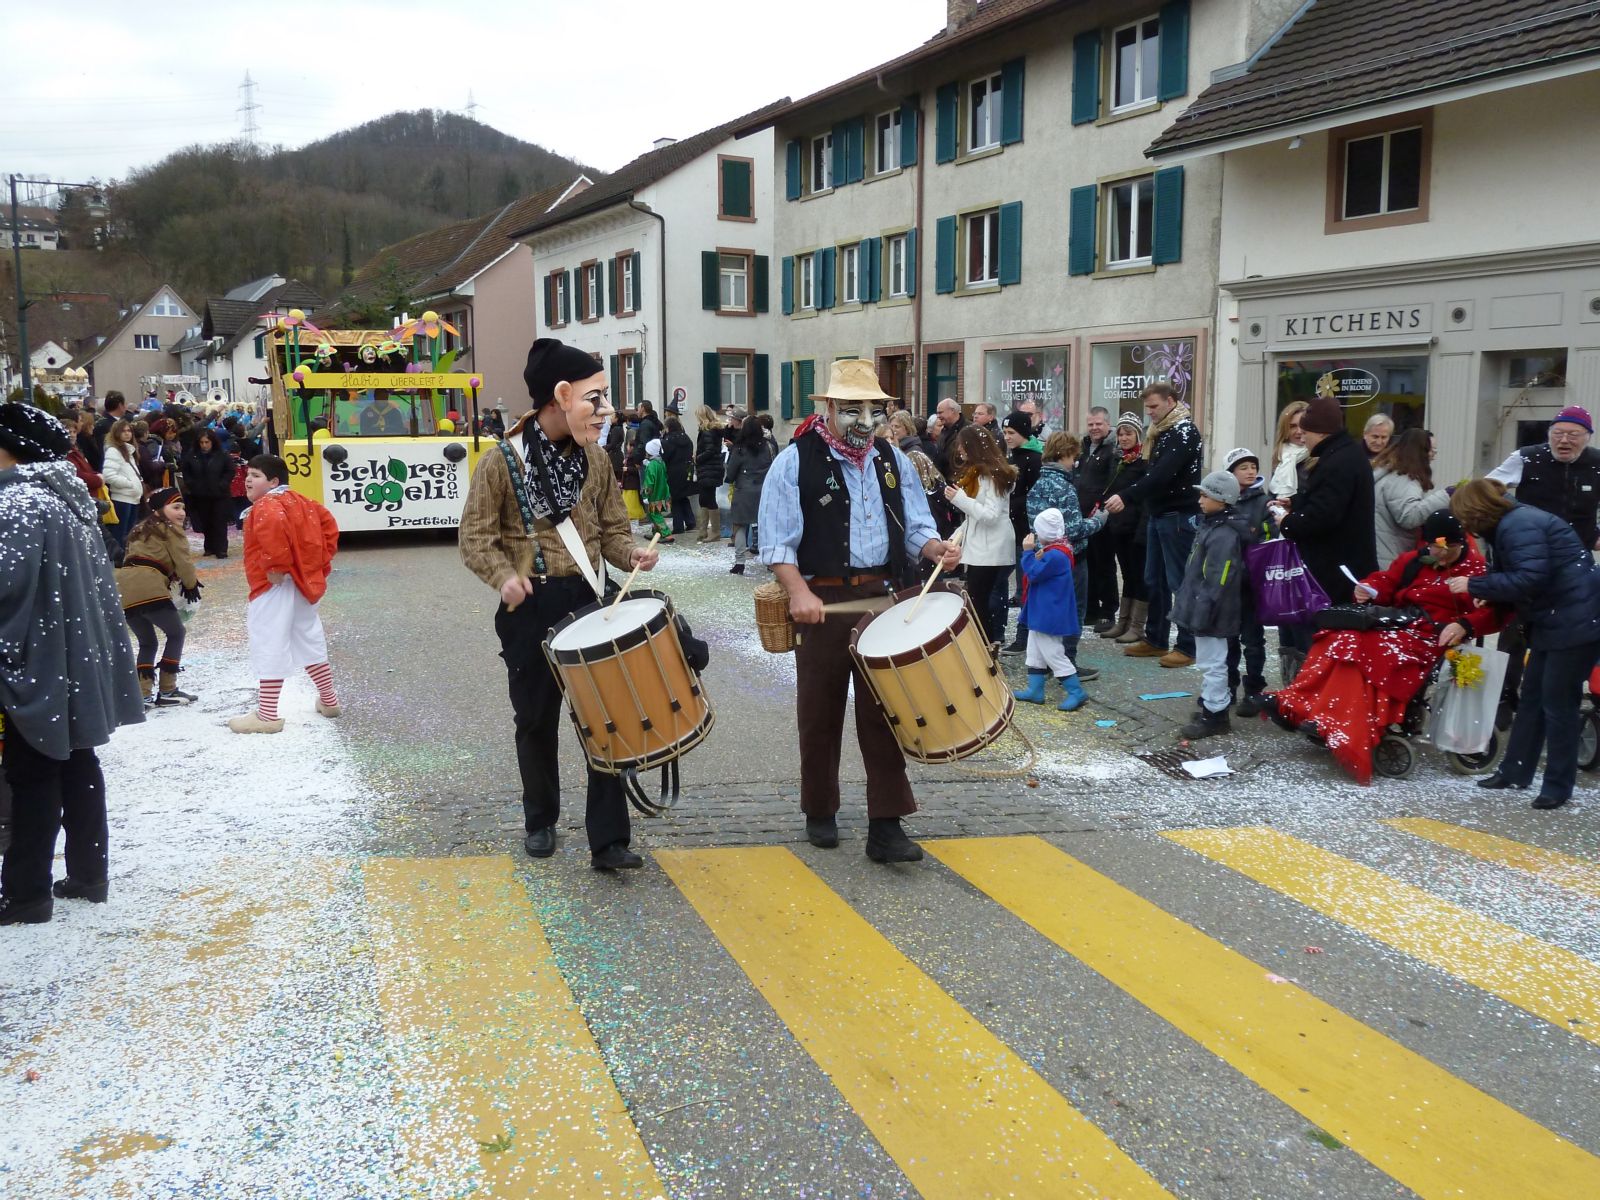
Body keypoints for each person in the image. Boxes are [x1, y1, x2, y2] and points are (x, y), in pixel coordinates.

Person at [458, 340, 657, 869]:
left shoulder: (597, 458)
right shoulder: (501, 462)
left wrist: (631, 553)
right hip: (531, 607)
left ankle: (609, 841)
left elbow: (612, 530)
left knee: (605, 719)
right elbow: (475, 537)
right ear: (560, 397)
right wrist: (503, 577)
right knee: (535, 720)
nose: (605, 410)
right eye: (596, 398)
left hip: (588, 598)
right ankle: (540, 819)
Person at [757, 359, 961, 863]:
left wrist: (933, 547)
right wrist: (797, 591)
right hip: (824, 601)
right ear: (829, 408)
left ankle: (886, 825)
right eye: (852, 409)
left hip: (886, 597)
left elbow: (915, 524)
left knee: (887, 711)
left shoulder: (893, 459)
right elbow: (777, 542)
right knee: (819, 711)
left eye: (874, 409)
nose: (865, 421)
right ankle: (819, 809)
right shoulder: (795, 461)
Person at [0, 403, 144, 924]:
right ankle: (88, 874)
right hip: (75, 658)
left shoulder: (17, 502)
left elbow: (6, 587)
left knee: (32, 773)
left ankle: (25, 895)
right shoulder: (68, 496)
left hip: (36, 660)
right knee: (78, 760)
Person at [1267, 511, 1503, 783]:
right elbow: (1387, 580)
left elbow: (1492, 612)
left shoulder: (1476, 572)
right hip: (1400, 623)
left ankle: (1339, 717)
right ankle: (1306, 705)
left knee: (1363, 651)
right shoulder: (1414, 560)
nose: (1437, 554)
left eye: (1444, 549)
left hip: (1437, 636)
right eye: (1433, 547)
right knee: (1334, 638)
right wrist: (1369, 587)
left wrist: (1466, 624)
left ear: (1459, 544)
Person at [1451, 480, 1600, 809]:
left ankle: (1558, 786)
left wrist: (1475, 584)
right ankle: (1515, 771)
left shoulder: (1518, 524)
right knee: (1533, 697)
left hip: (1575, 620)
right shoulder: (1512, 523)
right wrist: (1490, 594)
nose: (1465, 526)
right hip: (1556, 617)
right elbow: (1525, 576)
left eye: (1464, 518)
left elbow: (1530, 577)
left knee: (1558, 704)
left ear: (1475, 511)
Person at [228, 455, 343, 734]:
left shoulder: (266, 505)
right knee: (308, 637)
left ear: (273, 481)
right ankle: (329, 700)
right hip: (301, 584)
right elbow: (329, 528)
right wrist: (316, 564)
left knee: (269, 641)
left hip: (273, 585)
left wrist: (276, 566)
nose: (248, 480)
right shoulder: (304, 502)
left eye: (256, 475)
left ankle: (267, 715)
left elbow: (273, 528)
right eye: (248, 475)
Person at [1102, 383, 1204, 668]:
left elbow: (1161, 474)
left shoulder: (1184, 432)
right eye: (1147, 407)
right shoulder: (1161, 432)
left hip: (1178, 515)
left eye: (1154, 406)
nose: (1149, 412)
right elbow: (1153, 475)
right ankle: (1156, 638)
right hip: (1158, 514)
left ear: (1171, 401)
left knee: (1179, 582)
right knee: (1154, 579)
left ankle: (1187, 645)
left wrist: (1127, 495)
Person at [1276, 395, 1378, 657]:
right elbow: (1330, 501)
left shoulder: (1338, 462)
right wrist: (1297, 503)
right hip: (1341, 568)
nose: (1302, 437)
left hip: (1336, 573)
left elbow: (1323, 516)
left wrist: (1287, 522)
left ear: (1321, 432)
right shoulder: (1344, 455)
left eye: (1305, 432)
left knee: (1325, 643)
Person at [1173, 471, 1254, 739]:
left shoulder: (1223, 534)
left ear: (1222, 499)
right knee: (1211, 660)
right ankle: (1212, 705)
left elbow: (1219, 576)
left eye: (1205, 495)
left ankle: (1216, 714)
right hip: (1208, 605)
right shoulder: (1213, 525)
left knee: (1213, 662)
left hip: (1213, 609)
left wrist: (1204, 606)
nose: (1200, 500)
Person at [1022, 432, 1107, 676]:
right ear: (1064, 455)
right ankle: (1067, 663)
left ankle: (1047, 663)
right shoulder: (1065, 488)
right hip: (1070, 558)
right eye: (1073, 457)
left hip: (1043, 555)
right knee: (1073, 610)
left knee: (1048, 609)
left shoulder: (1038, 484)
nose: (1074, 462)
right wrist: (1100, 520)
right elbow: (1074, 530)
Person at [116, 486, 202, 707]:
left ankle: (142, 695)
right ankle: (168, 690)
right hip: (149, 586)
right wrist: (191, 586)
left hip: (124, 590)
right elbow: (183, 562)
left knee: (147, 642)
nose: (181, 512)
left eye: (183, 508)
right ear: (157, 510)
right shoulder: (170, 529)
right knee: (176, 633)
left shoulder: (139, 530)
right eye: (176, 507)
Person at [944, 424, 1017, 648]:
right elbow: (974, 518)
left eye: (962, 446)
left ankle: (987, 645)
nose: (959, 450)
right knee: (977, 600)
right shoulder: (979, 474)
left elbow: (990, 516)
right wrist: (956, 536)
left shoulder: (993, 476)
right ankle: (985, 644)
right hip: (982, 547)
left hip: (991, 548)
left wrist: (960, 499)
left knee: (979, 600)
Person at [1012, 508, 1088, 712]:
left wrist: (1027, 552)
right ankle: (1035, 690)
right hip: (1044, 611)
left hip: (1048, 613)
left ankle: (1076, 692)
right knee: (1035, 651)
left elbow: (1033, 573)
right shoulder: (1057, 551)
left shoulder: (1055, 555)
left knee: (1053, 653)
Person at [1223, 448, 1273, 717]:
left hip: (1252, 583)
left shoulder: (1264, 503)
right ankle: (1228, 686)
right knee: (1228, 638)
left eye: (1253, 466)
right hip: (1227, 584)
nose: (1251, 471)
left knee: (1253, 641)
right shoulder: (1223, 501)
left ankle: (1254, 689)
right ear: (1231, 473)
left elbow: (1267, 541)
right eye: (1243, 467)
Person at [1101, 413, 1150, 642]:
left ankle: (1137, 625)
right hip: (1119, 526)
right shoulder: (1119, 459)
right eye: (1120, 434)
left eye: (1128, 433)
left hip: (1136, 527)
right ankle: (1123, 622)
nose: (1123, 438)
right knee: (1128, 575)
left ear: (1138, 435)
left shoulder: (1144, 462)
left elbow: (1144, 498)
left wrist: (1142, 528)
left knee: (1139, 575)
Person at [1373, 428, 1449, 568]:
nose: (1433, 456)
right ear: (1420, 451)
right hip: (1389, 558)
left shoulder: (1391, 473)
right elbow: (1409, 517)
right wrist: (1446, 496)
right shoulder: (1403, 479)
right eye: (1431, 450)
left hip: (1383, 551)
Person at [999, 413, 1043, 652]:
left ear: (1023, 433)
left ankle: (1024, 636)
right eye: (1005, 433)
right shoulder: (1011, 456)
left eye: (1011, 433)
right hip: (1011, 527)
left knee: (1026, 583)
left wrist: (1010, 504)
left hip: (1026, 530)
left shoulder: (1034, 459)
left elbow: (1033, 495)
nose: (1007, 437)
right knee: (1015, 583)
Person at [1076, 407, 1119, 628]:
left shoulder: (1113, 449)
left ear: (1108, 424)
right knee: (1087, 564)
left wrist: (1102, 509)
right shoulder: (1083, 447)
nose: (1094, 428)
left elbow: (1112, 482)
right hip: (1083, 516)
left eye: (1098, 424)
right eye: (1091, 424)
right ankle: (1091, 609)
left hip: (1103, 516)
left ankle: (1108, 611)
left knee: (1104, 565)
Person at [890, 410, 954, 539]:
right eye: (891, 426)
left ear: (907, 428)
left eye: (897, 426)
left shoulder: (913, 453)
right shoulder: (898, 449)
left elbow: (916, 488)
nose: (893, 430)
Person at [723, 417, 772, 574]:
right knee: (766, 527)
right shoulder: (769, 447)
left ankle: (740, 562)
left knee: (739, 525)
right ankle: (771, 561)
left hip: (744, 491)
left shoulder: (739, 449)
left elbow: (731, 472)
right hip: (765, 491)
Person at [179, 427, 236, 558]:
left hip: (219, 494)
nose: (204, 445)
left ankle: (221, 549)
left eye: (207, 442)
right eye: (202, 442)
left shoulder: (222, 455)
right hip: (200, 495)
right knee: (205, 521)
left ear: (212, 442)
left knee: (219, 521)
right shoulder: (192, 456)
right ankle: (209, 547)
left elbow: (230, 471)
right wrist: (192, 484)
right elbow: (186, 472)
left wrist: (223, 484)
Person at [101, 418, 145, 557]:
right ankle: (118, 559)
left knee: (129, 533)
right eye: (123, 431)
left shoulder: (128, 450)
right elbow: (108, 475)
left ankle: (125, 557)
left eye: (129, 431)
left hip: (132, 497)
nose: (127, 433)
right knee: (120, 533)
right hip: (122, 498)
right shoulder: (114, 451)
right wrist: (129, 484)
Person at [693, 405, 725, 543]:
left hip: (709, 468)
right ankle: (703, 531)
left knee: (709, 499)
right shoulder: (711, 430)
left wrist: (697, 458)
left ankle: (715, 532)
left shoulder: (707, 431)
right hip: (710, 468)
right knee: (704, 498)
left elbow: (710, 450)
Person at [661, 415, 696, 534]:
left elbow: (665, 456)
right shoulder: (686, 437)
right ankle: (690, 521)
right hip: (687, 470)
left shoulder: (668, 440)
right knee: (683, 496)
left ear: (668, 427)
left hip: (674, 471)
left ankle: (678, 526)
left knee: (675, 498)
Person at [1269, 400, 1310, 502]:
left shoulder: (1320, 458)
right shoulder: (1282, 458)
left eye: (1303, 425)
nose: (1299, 431)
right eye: (1293, 426)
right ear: (1285, 430)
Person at [639, 437, 674, 541]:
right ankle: (657, 533)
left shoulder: (652, 465)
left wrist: (645, 495)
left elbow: (649, 482)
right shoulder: (660, 462)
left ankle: (666, 534)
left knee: (655, 514)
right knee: (654, 514)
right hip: (663, 492)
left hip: (654, 495)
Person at [90, 390, 127, 471]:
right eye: (125, 404)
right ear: (120, 405)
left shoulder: (116, 422)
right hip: (112, 468)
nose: (126, 407)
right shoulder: (104, 426)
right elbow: (102, 451)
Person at [932, 396, 966, 479]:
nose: (938, 416)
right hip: (944, 480)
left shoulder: (967, 430)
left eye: (940, 412)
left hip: (959, 480)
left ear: (952, 411)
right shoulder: (944, 430)